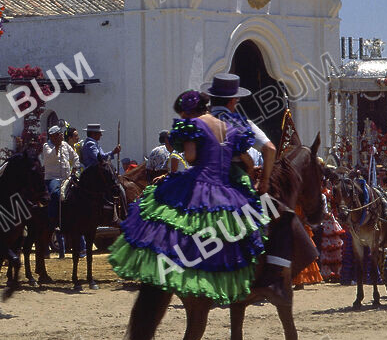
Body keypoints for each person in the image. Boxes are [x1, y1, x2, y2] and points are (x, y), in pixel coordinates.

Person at [108, 104, 268, 305]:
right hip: (227, 183)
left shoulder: (193, 129)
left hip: (196, 181)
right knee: (249, 225)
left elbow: (187, 159)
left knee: (178, 222)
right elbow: (256, 157)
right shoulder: (234, 127)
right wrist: (257, 175)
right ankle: (255, 279)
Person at [203, 77, 276, 196]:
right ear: (232, 101)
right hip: (233, 184)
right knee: (265, 211)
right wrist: (264, 181)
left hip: (200, 185)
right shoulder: (240, 124)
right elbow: (270, 149)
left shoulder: (199, 122)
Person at [42, 124, 78, 257]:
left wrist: (76, 168)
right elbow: (51, 157)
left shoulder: (65, 145)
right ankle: (54, 218)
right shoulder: (47, 146)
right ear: (53, 136)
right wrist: (57, 146)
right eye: (58, 135)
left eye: (61, 134)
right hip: (53, 178)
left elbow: (75, 157)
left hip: (67, 177)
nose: (61, 136)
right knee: (55, 194)